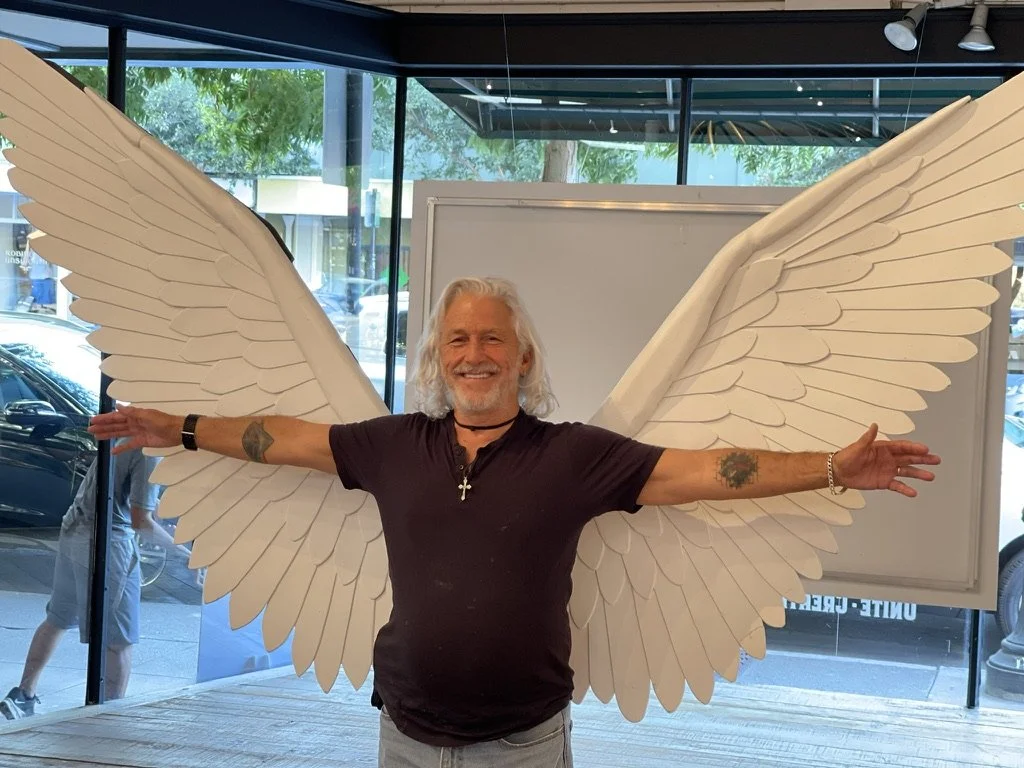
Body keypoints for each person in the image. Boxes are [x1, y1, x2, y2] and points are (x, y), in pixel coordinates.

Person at [86, 277, 940, 767]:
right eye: (457, 340)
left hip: (525, 747)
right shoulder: (392, 447)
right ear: (438, 358)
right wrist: (179, 429)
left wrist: (833, 467)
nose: (474, 354)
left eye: (491, 339)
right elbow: (280, 439)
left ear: (521, 357)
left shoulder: (573, 457)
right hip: (407, 739)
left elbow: (707, 470)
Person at [0, 442, 183, 720]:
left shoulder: (126, 433)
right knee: (119, 639)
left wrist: (154, 507)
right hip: (107, 542)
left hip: (74, 529)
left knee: (58, 617)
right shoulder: (151, 449)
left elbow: (125, 492)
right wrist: (184, 552)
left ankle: (23, 695)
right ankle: (108, 718)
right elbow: (140, 522)